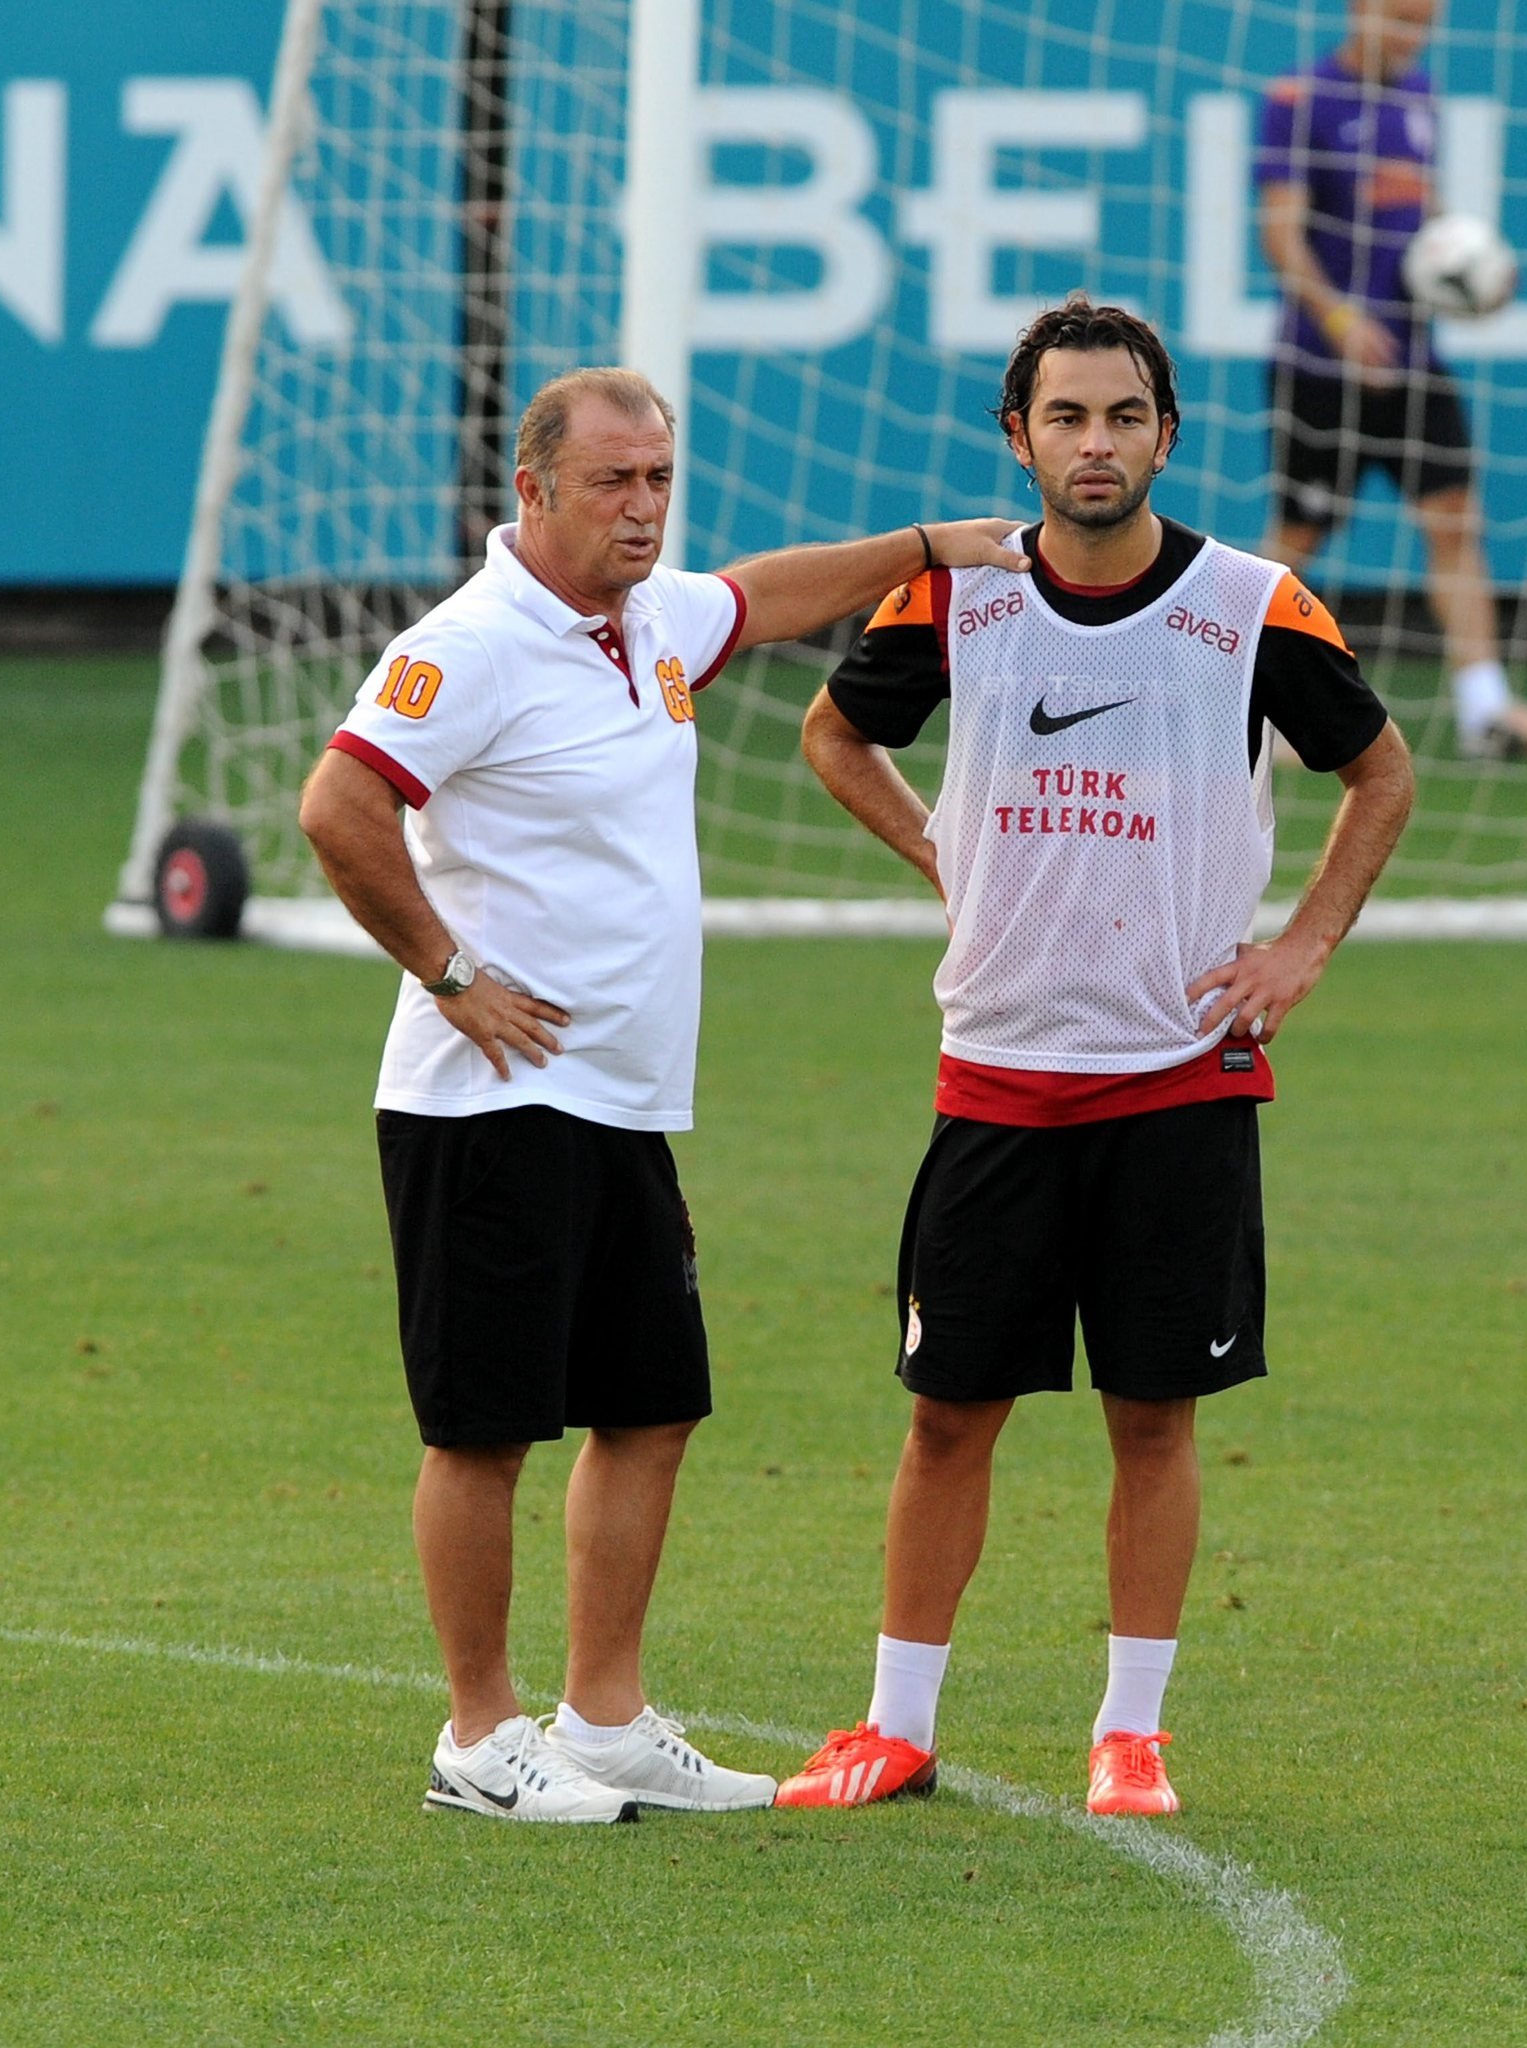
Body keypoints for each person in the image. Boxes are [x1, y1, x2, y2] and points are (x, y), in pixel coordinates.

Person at [299, 367, 1025, 1824]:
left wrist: (924, 549)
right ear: (532, 490)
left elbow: (761, 596)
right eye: (611, 483)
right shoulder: (468, 643)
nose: (641, 510)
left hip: (625, 1100)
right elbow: (338, 804)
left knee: (648, 1408)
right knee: (485, 1428)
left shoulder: (651, 622)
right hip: (488, 1100)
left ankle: (607, 1716)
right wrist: (449, 971)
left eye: (657, 481)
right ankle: (477, 1736)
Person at [775, 297, 1414, 1818]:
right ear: (1018, 437)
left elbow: (1380, 771)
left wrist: (1300, 949)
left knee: (1151, 1413)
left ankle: (1130, 1733)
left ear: (1165, 436)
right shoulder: (957, 596)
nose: (1094, 444)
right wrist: (939, 851)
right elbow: (831, 734)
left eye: (1123, 416)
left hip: (1175, 1078)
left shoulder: (1252, 605)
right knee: (946, 1413)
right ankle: (896, 1724)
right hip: (995, 1072)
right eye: (1064, 417)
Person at [1254, 0, 1527, 761]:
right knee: (1298, 538)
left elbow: (1423, 218)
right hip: (1322, 362)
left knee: (1454, 518)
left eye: (1423, 24)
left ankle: (1485, 713)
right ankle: (1247, 707)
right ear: (1359, 10)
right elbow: (1280, 232)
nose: (1410, 37)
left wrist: (1473, 270)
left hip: (1411, 355)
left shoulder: (1418, 97)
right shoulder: (1300, 100)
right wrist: (1339, 319)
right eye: (1399, 18)